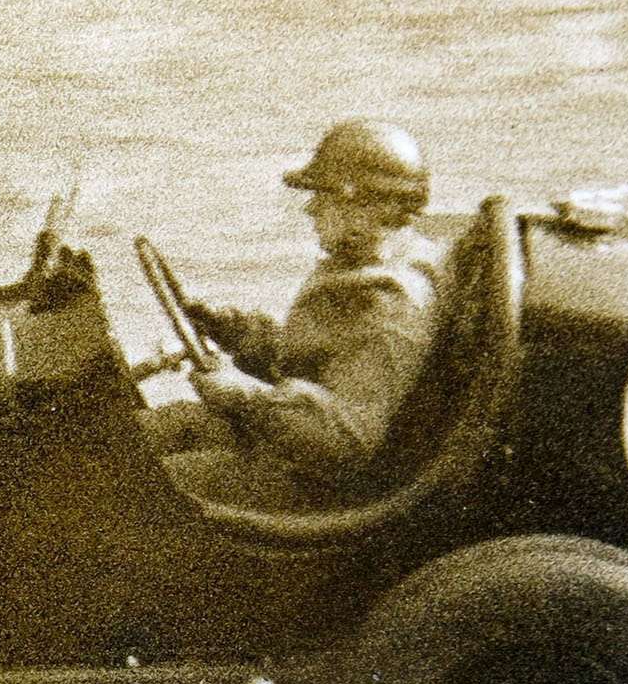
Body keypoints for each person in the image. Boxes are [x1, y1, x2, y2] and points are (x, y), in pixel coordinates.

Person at [140, 119, 444, 508]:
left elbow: (350, 440)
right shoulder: (370, 268)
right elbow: (316, 360)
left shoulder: (390, 303)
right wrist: (238, 333)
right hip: (291, 449)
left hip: (315, 487)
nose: (311, 208)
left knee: (132, 488)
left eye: (324, 196)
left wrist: (241, 392)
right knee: (143, 435)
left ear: (362, 204)